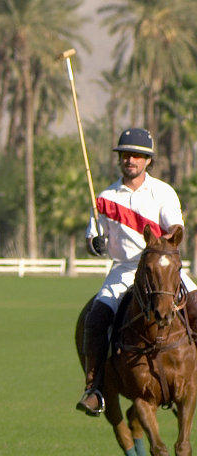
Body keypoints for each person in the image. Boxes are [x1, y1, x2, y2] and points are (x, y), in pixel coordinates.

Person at [76, 127, 193, 415]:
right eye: (126, 155)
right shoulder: (104, 198)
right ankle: (95, 388)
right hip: (125, 269)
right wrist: (96, 242)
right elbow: (93, 240)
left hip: (161, 267)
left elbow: (176, 227)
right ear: (120, 159)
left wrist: (161, 248)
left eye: (138, 156)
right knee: (96, 318)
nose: (131, 160)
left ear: (148, 161)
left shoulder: (162, 191)